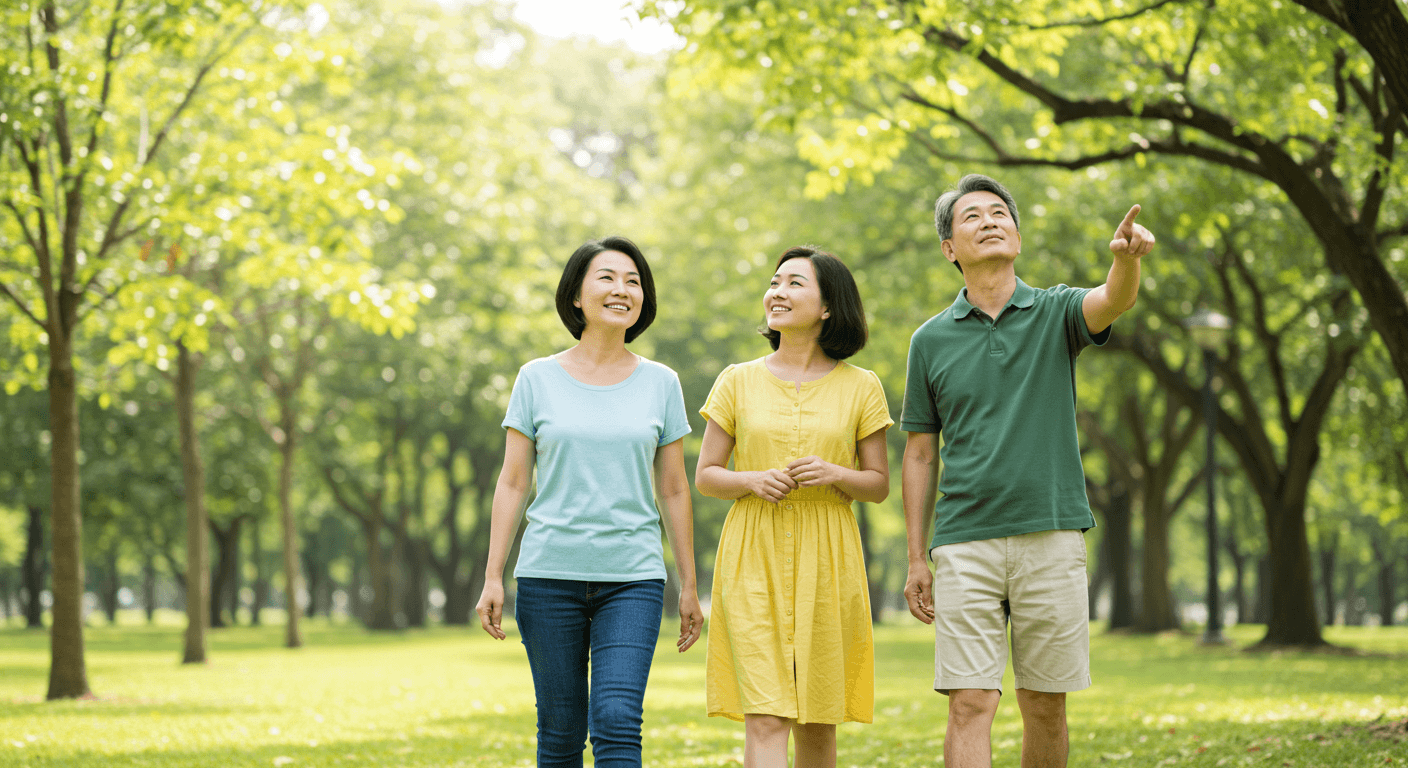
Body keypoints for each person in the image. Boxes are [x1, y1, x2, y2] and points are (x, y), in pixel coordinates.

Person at [900, 174, 1154, 768]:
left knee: (1044, 705)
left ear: (1017, 234)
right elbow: (918, 453)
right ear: (949, 249)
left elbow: (1112, 300)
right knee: (969, 702)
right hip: (964, 542)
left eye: (1000, 213)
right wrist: (917, 556)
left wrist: (1125, 261)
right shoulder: (929, 341)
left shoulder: (1056, 311)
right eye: (972, 217)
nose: (990, 221)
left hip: (1052, 534)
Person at [474, 235, 704, 768]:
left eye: (634, 281)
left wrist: (690, 584)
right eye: (607, 277)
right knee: (559, 731)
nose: (623, 289)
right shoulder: (536, 378)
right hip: (548, 575)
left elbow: (673, 488)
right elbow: (512, 482)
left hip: (633, 578)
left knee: (618, 719)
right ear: (576, 295)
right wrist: (492, 575)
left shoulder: (662, 383)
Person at [696, 245, 893, 768]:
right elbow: (706, 477)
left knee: (817, 719)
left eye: (794, 284)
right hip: (752, 552)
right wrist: (751, 480)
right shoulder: (736, 379)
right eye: (774, 282)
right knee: (765, 714)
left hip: (829, 556)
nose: (777, 293)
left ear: (828, 307)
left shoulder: (861, 386)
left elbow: (877, 484)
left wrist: (836, 474)